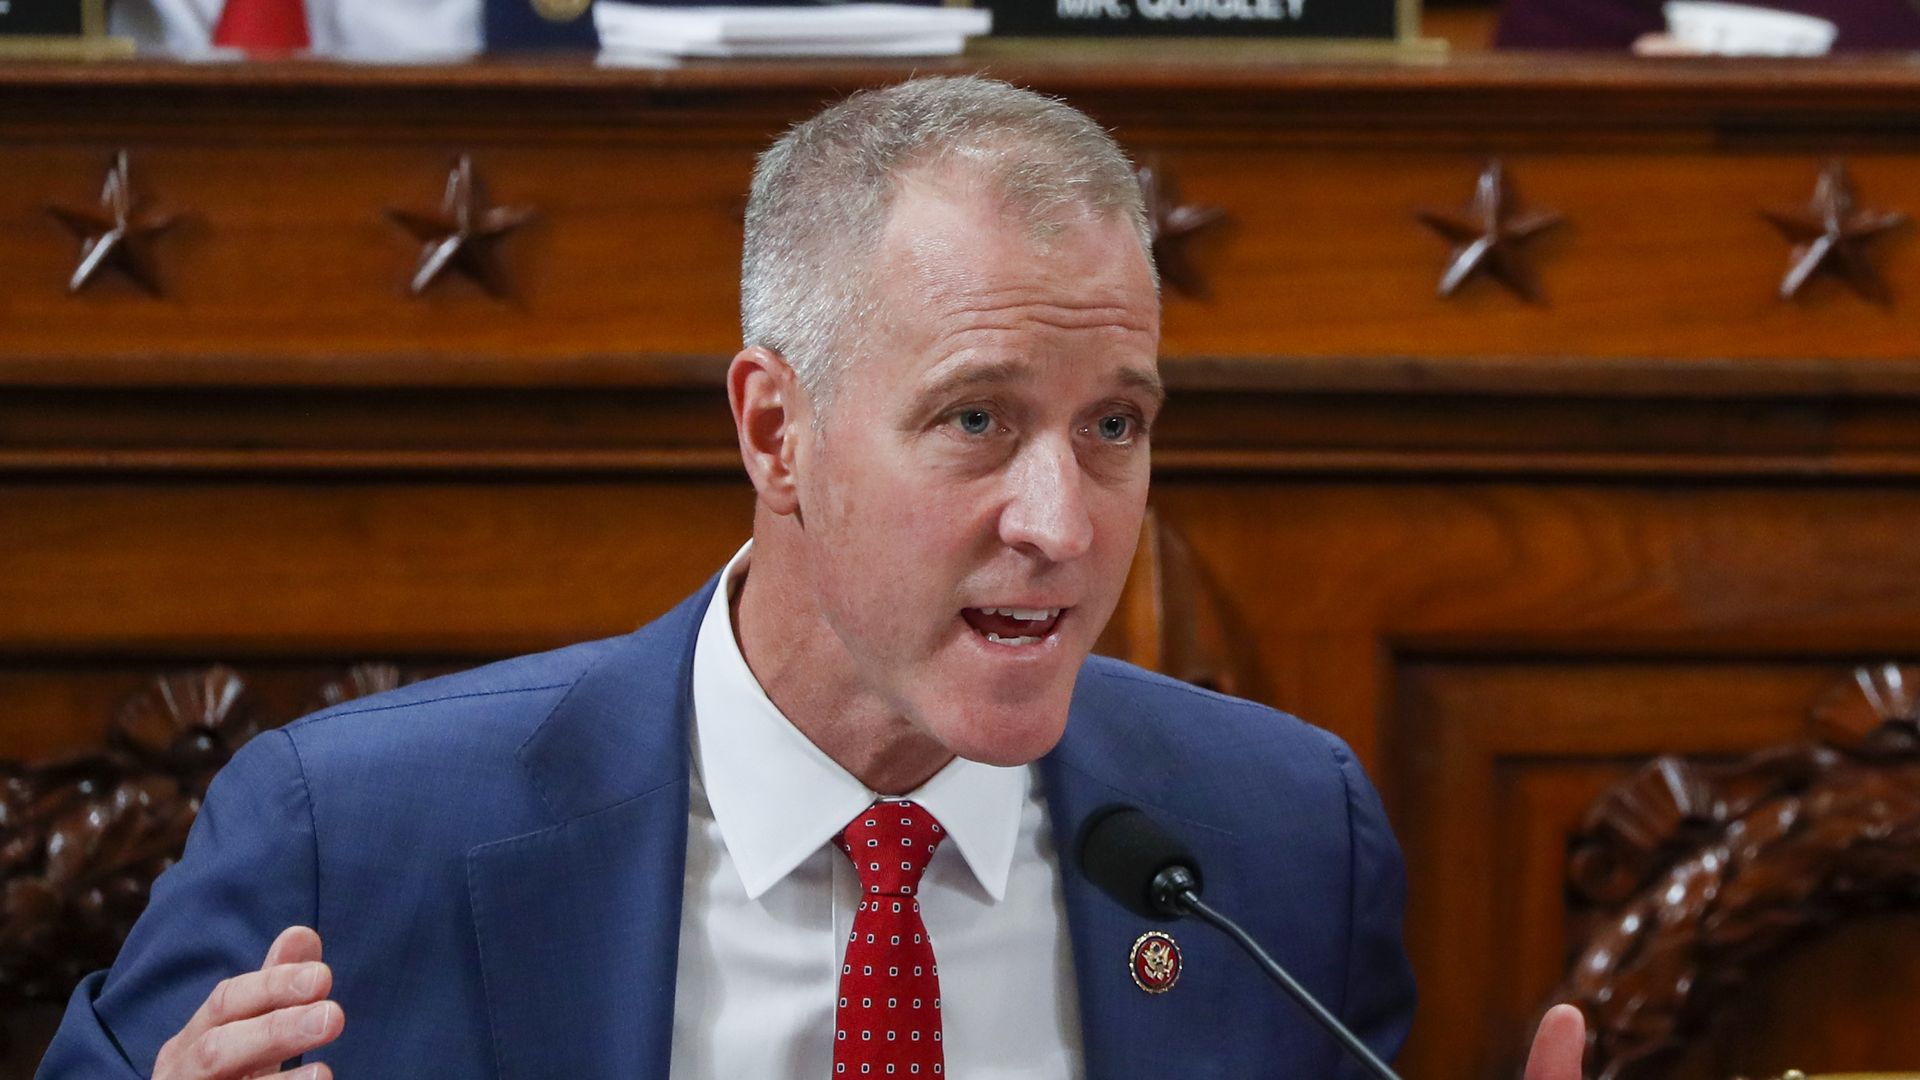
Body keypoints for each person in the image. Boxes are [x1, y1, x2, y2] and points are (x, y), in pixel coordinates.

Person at [37, 75, 1588, 1080]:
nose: (1060, 519)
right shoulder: (351, 837)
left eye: (1114, 425)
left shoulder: (1274, 839)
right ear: (777, 430)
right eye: (977, 420)